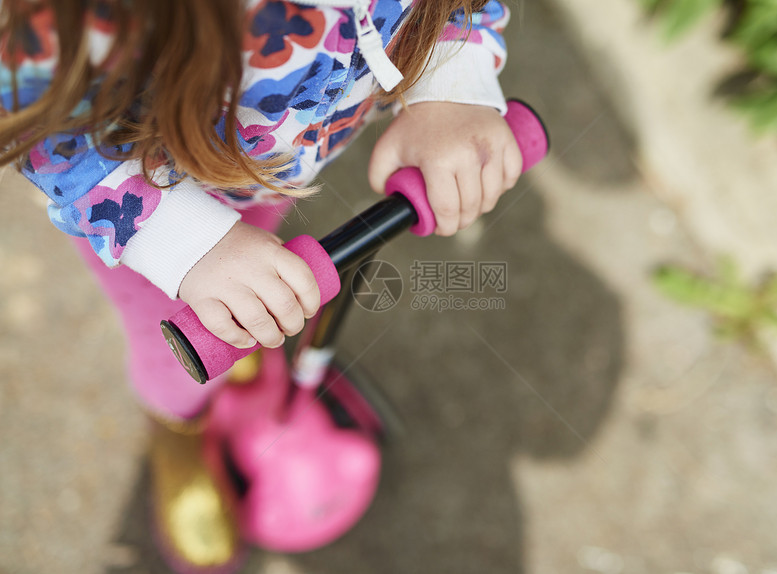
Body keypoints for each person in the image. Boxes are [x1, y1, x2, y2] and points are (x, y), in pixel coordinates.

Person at [0, 0, 522, 571]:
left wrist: (452, 77)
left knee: (260, 263)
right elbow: (40, 118)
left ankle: (245, 331)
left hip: (272, 170)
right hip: (142, 200)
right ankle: (176, 433)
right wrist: (184, 241)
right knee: (171, 355)